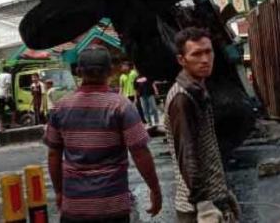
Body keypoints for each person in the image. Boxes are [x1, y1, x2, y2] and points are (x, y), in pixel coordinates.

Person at [45, 46, 162, 223]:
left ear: (78, 72)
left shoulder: (60, 107)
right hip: (112, 207)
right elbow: (140, 152)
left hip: (74, 207)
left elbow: (54, 154)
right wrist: (155, 189)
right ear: (109, 72)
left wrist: (60, 192)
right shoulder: (121, 106)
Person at [166, 27, 240, 222]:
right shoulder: (182, 98)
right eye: (196, 54)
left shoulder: (198, 90)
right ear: (182, 60)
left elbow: (206, 150)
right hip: (197, 209)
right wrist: (204, 205)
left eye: (208, 52)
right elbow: (187, 156)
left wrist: (222, 192)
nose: (205, 59)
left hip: (212, 199)